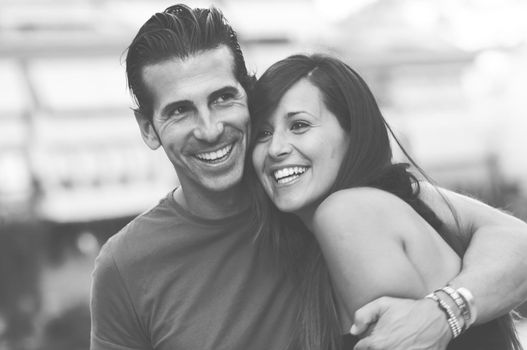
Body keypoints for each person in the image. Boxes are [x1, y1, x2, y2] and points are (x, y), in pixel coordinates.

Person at [90, 4, 527, 350]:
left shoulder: (329, 201)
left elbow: (515, 241)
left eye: (223, 98)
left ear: (249, 94)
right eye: (180, 110)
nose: (208, 129)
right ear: (148, 128)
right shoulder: (126, 265)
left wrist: (445, 312)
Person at [249, 53, 526, 349]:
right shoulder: (406, 200)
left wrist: (449, 310)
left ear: (352, 133)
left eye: (300, 125)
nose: (276, 148)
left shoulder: (347, 213)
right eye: (263, 133)